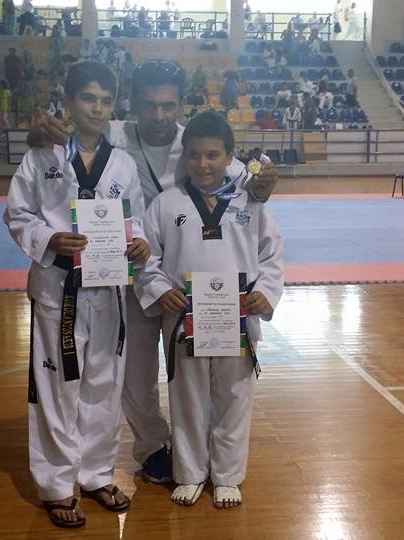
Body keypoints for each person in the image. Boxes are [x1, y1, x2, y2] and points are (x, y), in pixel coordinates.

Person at [27, 59, 279, 486]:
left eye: (168, 105)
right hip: (123, 273)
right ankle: (152, 447)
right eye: (148, 105)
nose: (159, 115)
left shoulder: (195, 141)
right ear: (131, 105)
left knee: (203, 373)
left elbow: (244, 184)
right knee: (134, 374)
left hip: (184, 283)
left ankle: (208, 452)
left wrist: (264, 181)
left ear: (180, 104)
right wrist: (38, 135)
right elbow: (64, 140)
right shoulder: (112, 133)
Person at [4, 60, 149, 529]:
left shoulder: (123, 164)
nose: (97, 108)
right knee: (57, 386)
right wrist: (49, 238)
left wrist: (140, 241)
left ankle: (96, 473)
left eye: (106, 101)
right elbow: (18, 214)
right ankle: (56, 484)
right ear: (68, 102)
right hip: (57, 286)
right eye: (88, 98)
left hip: (108, 288)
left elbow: (136, 218)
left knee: (104, 384)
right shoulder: (42, 156)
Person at [134, 111, 283, 508]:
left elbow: (270, 255)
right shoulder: (166, 204)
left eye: (213, 155)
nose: (202, 164)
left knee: (234, 396)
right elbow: (146, 259)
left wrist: (265, 293)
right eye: (194, 155)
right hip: (184, 316)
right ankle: (190, 472)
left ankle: (228, 476)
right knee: (187, 397)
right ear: (184, 156)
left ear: (230, 157)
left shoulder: (250, 202)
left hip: (237, 316)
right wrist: (159, 289)